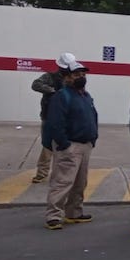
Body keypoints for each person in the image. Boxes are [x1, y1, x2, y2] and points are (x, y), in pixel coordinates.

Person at [43, 58, 97, 230]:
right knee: (62, 182)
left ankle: (74, 212)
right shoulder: (62, 96)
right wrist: (64, 143)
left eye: (83, 74)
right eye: (76, 74)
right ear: (67, 77)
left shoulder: (86, 96)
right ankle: (54, 216)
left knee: (80, 183)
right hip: (70, 146)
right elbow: (55, 123)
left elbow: (93, 116)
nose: (81, 77)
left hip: (85, 145)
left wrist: (93, 139)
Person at [30, 53, 76, 184]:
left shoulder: (73, 79)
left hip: (67, 118)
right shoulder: (50, 77)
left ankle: (62, 173)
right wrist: (52, 90)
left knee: (66, 146)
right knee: (47, 145)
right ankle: (42, 173)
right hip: (49, 117)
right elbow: (35, 84)